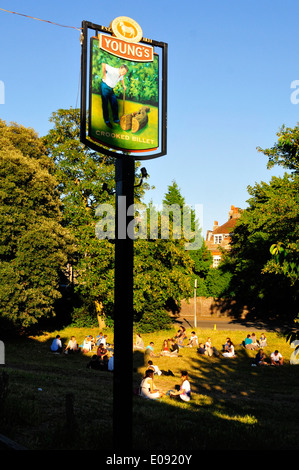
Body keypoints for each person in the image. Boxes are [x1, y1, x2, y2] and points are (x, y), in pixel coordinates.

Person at [101, 63, 128, 128]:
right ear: (120, 68)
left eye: (125, 73)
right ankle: (107, 121)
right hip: (105, 86)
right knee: (105, 104)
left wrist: (123, 85)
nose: (124, 73)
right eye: (123, 71)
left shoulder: (121, 74)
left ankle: (116, 120)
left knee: (114, 103)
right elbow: (103, 64)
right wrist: (104, 75)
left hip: (111, 89)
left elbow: (122, 78)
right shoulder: (113, 70)